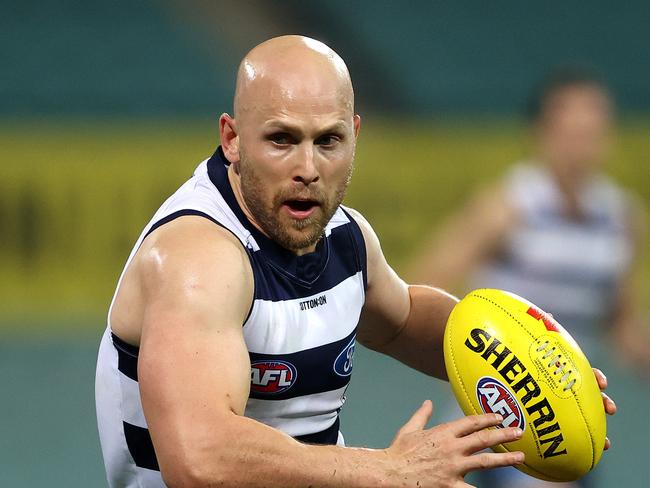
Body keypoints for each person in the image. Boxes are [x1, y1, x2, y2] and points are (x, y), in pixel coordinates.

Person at [95, 37, 615, 488]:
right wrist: (388, 470)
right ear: (231, 138)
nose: (308, 168)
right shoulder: (199, 259)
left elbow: (403, 320)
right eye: (282, 139)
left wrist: (539, 372)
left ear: (355, 135)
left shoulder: (345, 237)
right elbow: (199, 458)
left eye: (328, 141)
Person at [410, 68, 646, 488]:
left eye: (592, 131)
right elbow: (421, 287)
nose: (581, 144)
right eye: (569, 130)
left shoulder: (620, 218)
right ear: (542, 132)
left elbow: (620, 321)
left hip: (574, 412)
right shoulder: (507, 207)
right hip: (501, 412)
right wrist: (487, 348)